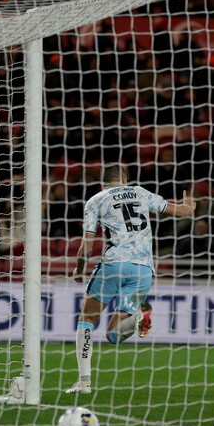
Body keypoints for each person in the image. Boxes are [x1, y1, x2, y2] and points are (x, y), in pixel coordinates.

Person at [66, 165, 194, 394]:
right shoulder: (141, 193)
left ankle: (84, 382)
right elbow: (182, 212)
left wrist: (80, 269)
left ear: (103, 182)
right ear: (125, 178)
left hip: (113, 266)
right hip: (143, 270)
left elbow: (86, 247)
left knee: (86, 320)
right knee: (114, 335)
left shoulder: (96, 200)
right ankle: (137, 318)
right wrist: (189, 206)